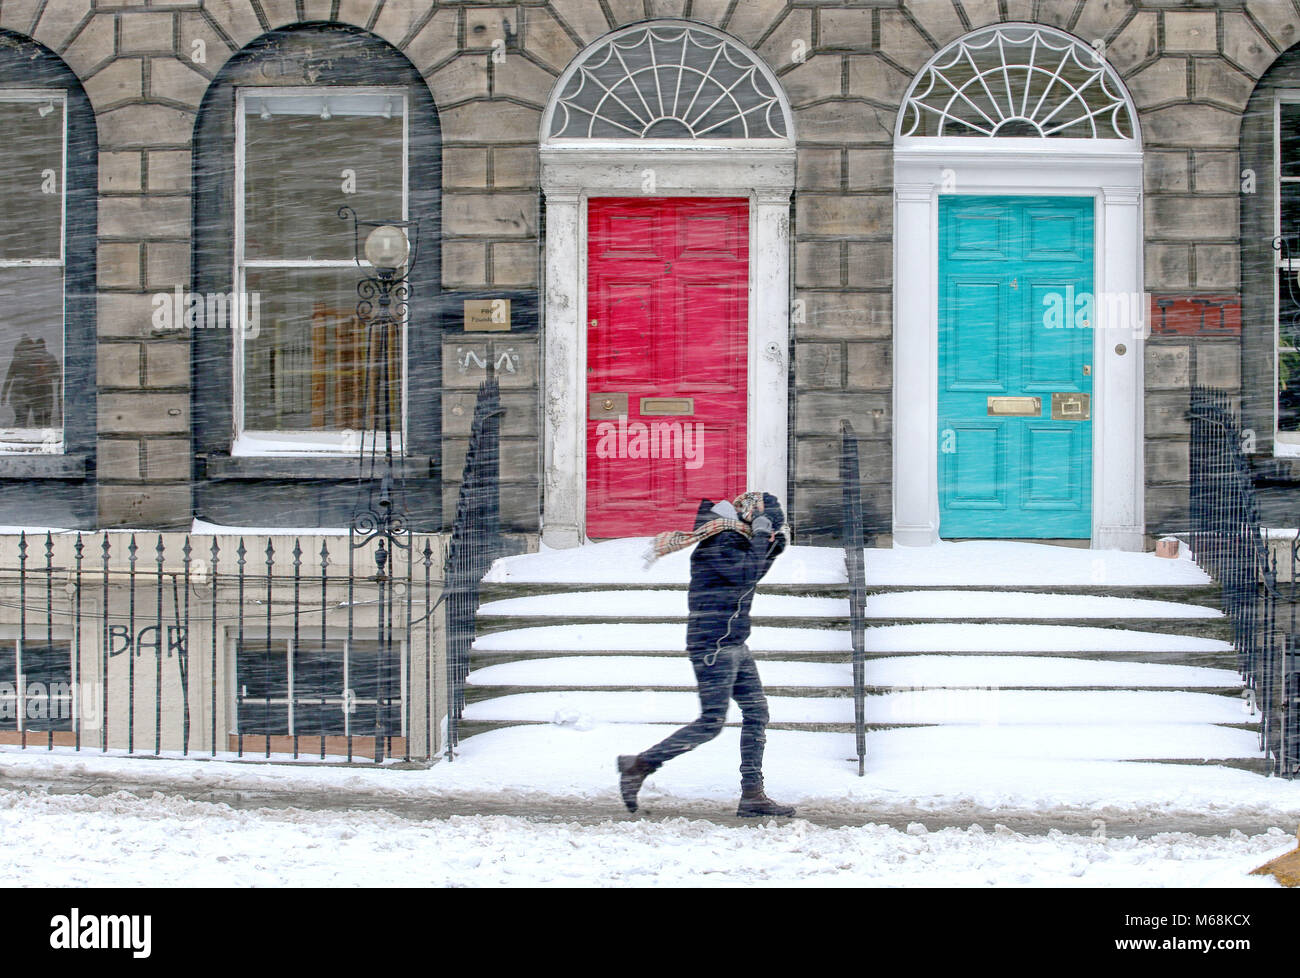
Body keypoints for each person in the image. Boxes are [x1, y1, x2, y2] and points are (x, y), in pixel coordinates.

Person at [618, 491, 795, 818]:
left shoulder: (734, 539)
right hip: (713, 645)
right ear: (749, 519)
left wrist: (772, 546)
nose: (766, 535)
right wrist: (761, 539)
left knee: (756, 712)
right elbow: (744, 575)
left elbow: (749, 575)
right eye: (765, 527)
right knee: (711, 722)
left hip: (733, 643)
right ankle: (639, 765)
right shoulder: (721, 540)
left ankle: (753, 794)